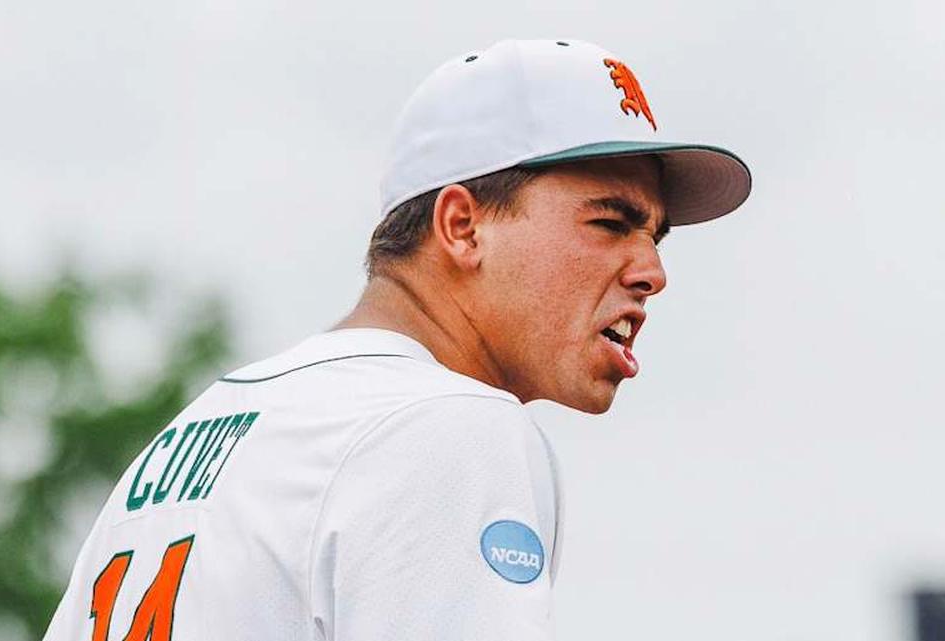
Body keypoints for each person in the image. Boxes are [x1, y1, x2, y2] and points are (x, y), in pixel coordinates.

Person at [42, 38, 751, 641]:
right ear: (462, 227)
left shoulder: (190, 437)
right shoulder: (450, 426)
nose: (652, 272)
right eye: (610, 222)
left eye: (654, 236)